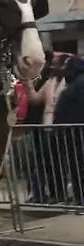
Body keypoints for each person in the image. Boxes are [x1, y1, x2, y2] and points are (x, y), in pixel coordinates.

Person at [21, 51, 71, 203]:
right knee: (46, 162)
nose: (54, 65)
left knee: (60, 163)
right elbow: (35, 98)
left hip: (63, 125)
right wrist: (26, 82)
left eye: (58, 63)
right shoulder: (51, 81)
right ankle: (51, 193)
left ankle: (60, 193)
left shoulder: (70, 81)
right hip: (47, 126)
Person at [53, 55, 84, 206]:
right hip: (75, 132)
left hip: (74, 135)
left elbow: (60, 112)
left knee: (77, 167)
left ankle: (80, 198)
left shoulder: (72, 88)